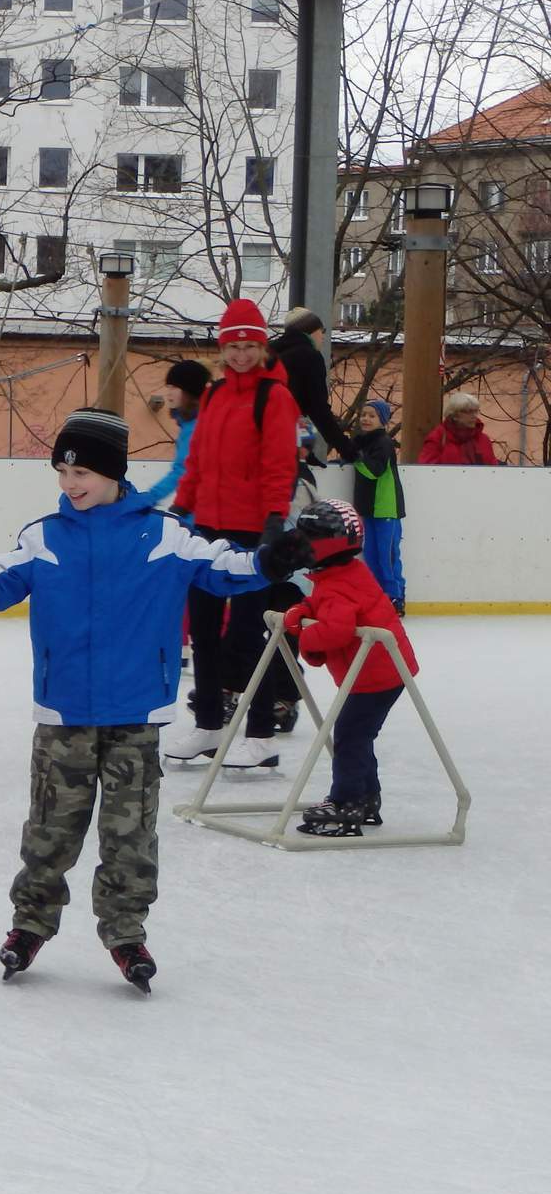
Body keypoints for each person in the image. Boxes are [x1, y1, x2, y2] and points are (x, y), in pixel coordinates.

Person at [0, 408, 310, 992]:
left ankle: (126, 932)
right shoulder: (44, 536)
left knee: (130, 835)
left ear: (115, 473)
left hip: (134, 713)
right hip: (64, 711)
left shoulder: (162, 533)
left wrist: (269, 561)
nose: (70, 484)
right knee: (50, 829)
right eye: (62, 473)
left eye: (82, 473)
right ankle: (30, 924)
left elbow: (223, 566)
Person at [161, 300, 303, 772]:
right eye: (233, 346)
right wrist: (182, 507)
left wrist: (272, 520)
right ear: (222, 349)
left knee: (247, 632)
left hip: (250, 530)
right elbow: (198, 461)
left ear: (262, 348)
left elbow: (280, 464)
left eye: (249, 346)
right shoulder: (217, 396)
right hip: (207, 527)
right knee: (202, 629)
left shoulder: (274, 398)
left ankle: (261, 733)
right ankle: (209, 726)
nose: (241, 355)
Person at [282, 500, 419, 837]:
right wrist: (303, 608)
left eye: (305, 537)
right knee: (358, 735)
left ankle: (347, 802)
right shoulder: (342, 573)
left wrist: (303, 635)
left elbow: (335, 630)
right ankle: (366, 796)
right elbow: (324, 603)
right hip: (378, 671)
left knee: (350, 736)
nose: (299, 543)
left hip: (375, 675)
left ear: (325, 545)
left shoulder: (340, 585)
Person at [268, 307, 357, 463]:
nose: (323, 336)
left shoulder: (270, 355)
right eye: (321, 330)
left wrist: (306, 453)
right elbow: (317, 409)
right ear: (310, 331)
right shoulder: (310, 357)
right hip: (283, 444)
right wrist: (346, 448)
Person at [352, 399, 407, 613]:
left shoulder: (384, 442)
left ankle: (395, 597)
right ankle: (376, 596)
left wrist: (354, 458)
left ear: (382, 421)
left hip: (386, 509)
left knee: (387, 555)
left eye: (372, 415)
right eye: (363, 414)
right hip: (368, 509)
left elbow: (373, 470)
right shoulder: (361, 441)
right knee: (371, 555)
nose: (366, 419)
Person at [132, 358, 208, 510]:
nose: (169, 394)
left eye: (175, 388)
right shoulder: (189, 424)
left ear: (189, 391)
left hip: (199, 510)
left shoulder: (196, 427)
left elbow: (182, 471)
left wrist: (149, 497)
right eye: (169, 387)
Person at [417, 389, 501, 465]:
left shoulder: (484, 440)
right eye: (468, 412)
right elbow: (427, 469)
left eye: (475, 411)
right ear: (454, 415)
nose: (474, 416)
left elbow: (493, 470)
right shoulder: (438, 437)